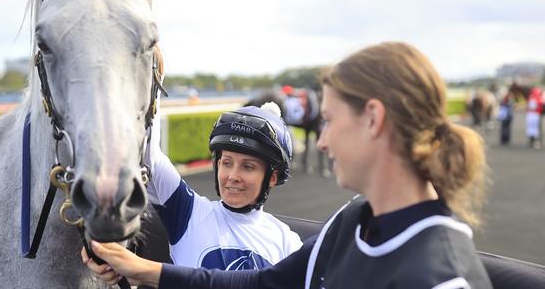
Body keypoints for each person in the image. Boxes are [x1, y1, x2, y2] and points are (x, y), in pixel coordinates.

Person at [86, 42, 493, 289]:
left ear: (373, 118)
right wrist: (141, 271)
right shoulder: (350, 221)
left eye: (329, 120)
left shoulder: (444, 276)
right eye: (227, 163)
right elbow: (264, 285)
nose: (324, 139)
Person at [82, 102, 302, 285]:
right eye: (226, 163)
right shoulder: (189, 212)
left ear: (272, 178)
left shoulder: (288, 242)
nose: (233, 175)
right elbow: (149, 155)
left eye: (248, 167)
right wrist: (155, 66)